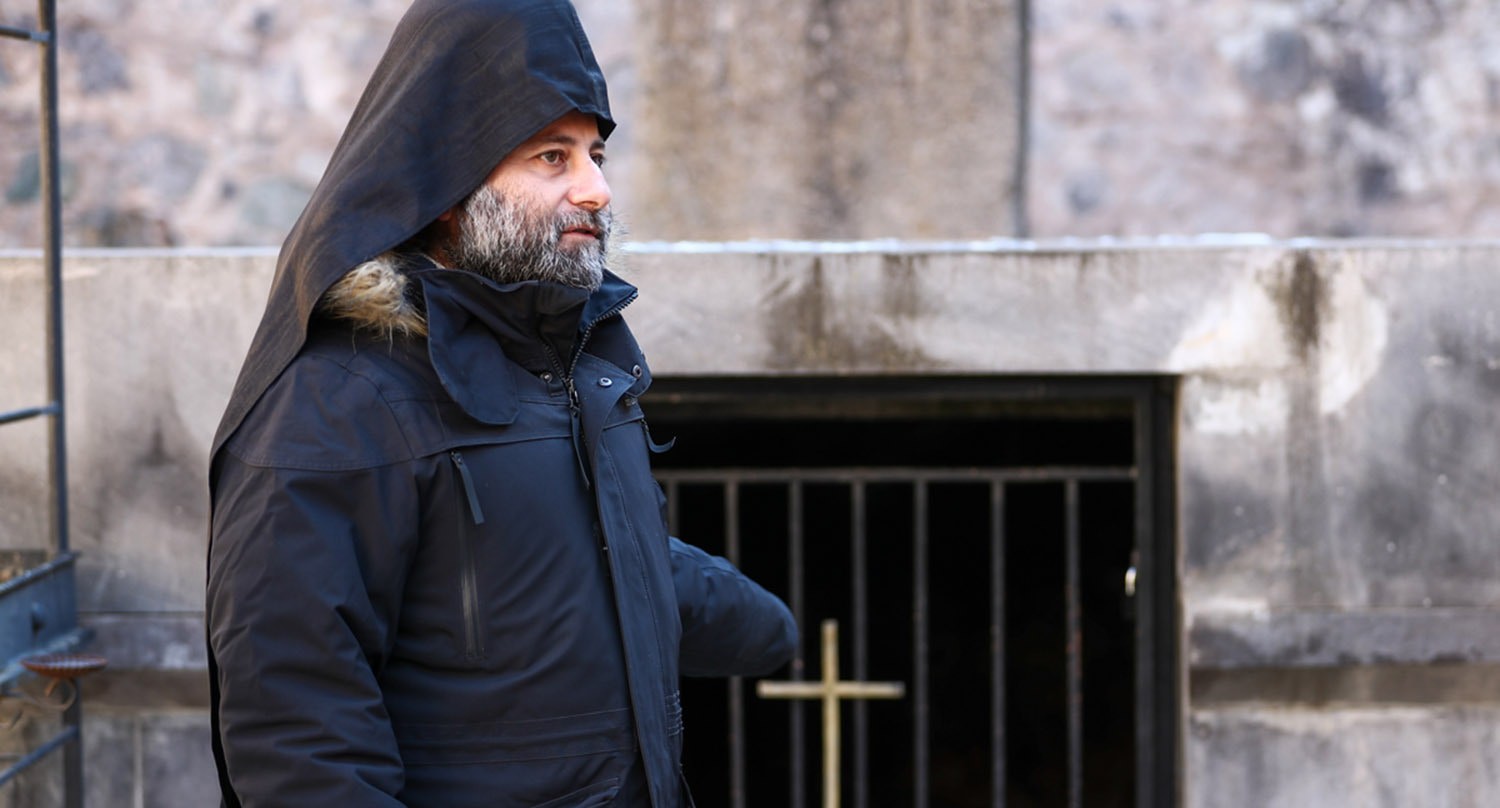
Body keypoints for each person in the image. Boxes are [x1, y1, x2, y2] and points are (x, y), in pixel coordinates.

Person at [204, 1, 798, 805]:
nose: (597, 189)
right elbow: (297, 732)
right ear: (448, 188)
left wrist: (759, 624)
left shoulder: (576, 368)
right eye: (553, 157)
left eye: (595, 154)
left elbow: (572, 554)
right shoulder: (339, 402)